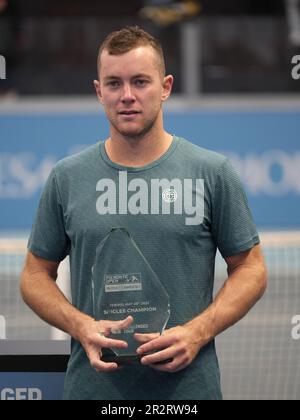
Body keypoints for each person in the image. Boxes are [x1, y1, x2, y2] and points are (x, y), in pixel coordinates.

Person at [20, 26, 267, 400]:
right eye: (114, 84)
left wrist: (198, 332)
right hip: (93, 392)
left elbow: (251, 267)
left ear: (165, 87)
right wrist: (81, 324)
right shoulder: (67, 177)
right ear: (98, 91)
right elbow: (34, 275)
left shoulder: (212, 172)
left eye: (140, 82)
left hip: (188, 395)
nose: (127, 96)